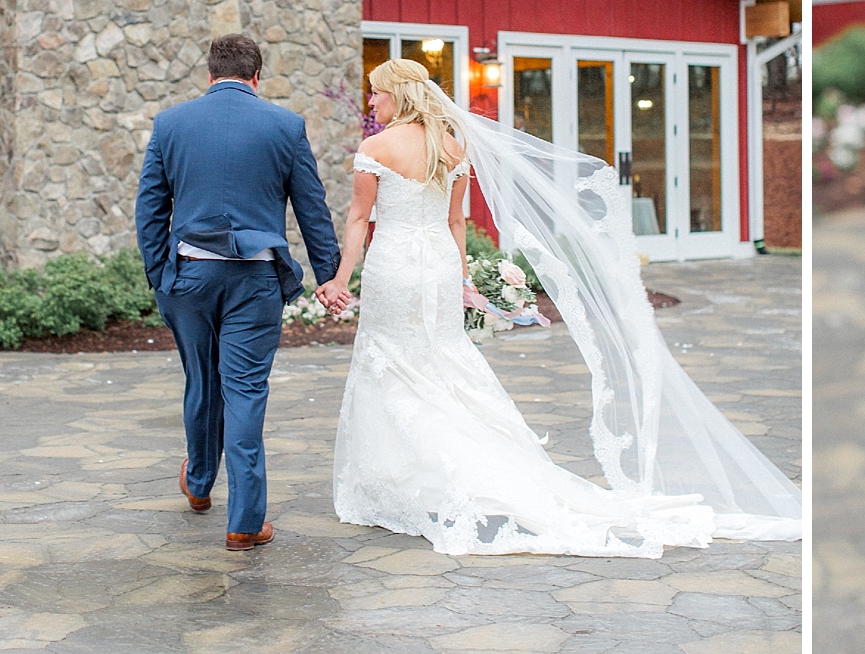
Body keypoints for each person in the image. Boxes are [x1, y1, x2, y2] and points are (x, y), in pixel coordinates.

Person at [318, 58, 801, 556]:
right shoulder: (451, 146)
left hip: (395, 265)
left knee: (394, 362)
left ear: (397, 94)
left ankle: (411, 477)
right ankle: (449, 467)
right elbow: (457, 224)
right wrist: (461, 277)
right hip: (438, 264)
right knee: (441, 358)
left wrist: (338, 280)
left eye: (375, 93)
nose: (371, 101)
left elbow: (358, 220)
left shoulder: (376, 148)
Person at [135, 33, 343, 551]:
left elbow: (149, 209)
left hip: (188, 278)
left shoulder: (171, 123)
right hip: (254, 281)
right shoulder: (286, 126)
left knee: (201, 380)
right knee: (245, 391)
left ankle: (200, 483)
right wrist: (330, 276)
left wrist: (160, 272)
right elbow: (311, 210)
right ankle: (245, 522)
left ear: (209, 75)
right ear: (257, 77)